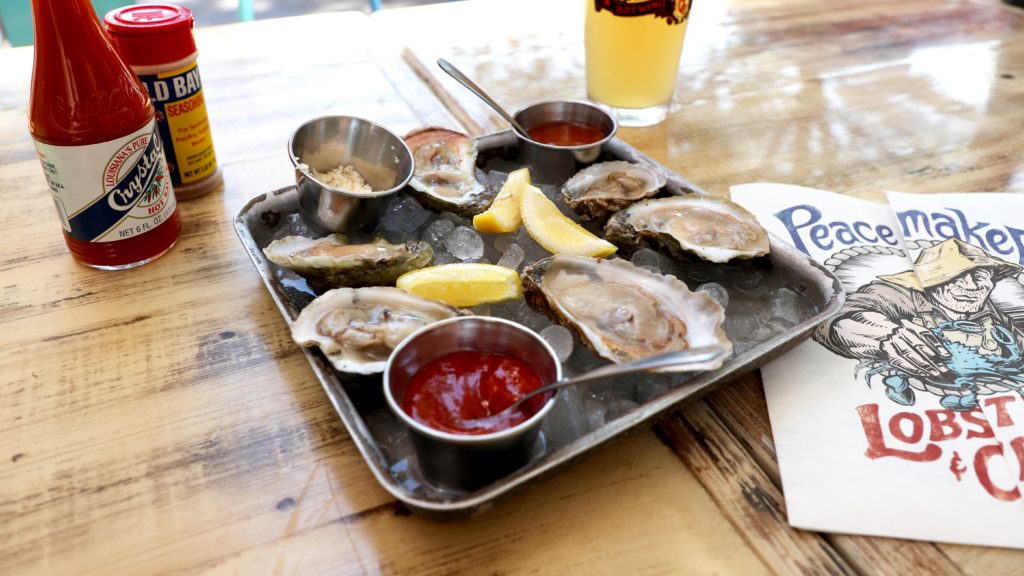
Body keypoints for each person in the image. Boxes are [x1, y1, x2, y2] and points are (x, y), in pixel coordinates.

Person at [817, 238, 1024, 411]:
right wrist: (886, 334)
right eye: (956, 278)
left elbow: (1017, 339)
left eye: (979, 276)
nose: (971, 287)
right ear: (930, 281)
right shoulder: (895, 294)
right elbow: (831, 317)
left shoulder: (986, 309)